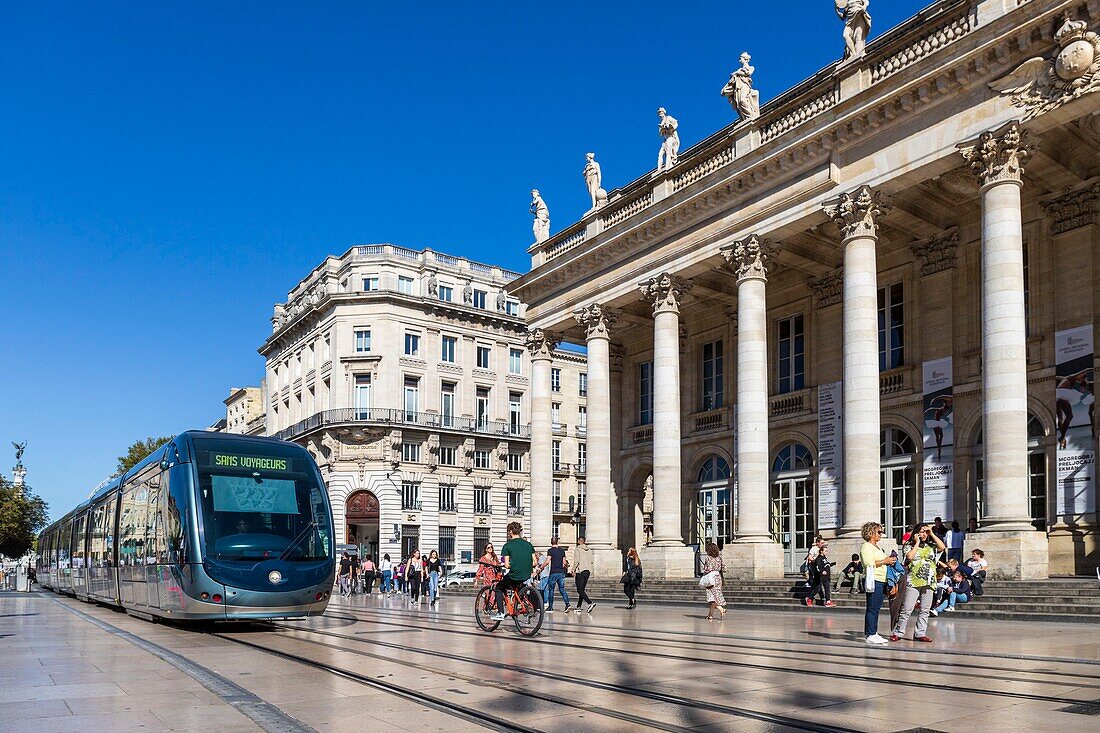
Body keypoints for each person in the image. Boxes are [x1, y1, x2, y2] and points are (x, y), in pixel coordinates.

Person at [890, 523, 946, 643]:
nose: (924, 534)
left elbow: (942, 547)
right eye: (921, 531)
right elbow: (909, 557)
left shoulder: (931, 545)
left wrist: (932, 533)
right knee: (907, 609)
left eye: (925, 532)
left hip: (929, 581)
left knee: (925, 609)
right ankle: (898, 632)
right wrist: (916, 542)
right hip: (913, 581)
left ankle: (920, 633)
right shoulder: (908, 545)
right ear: (916, 533)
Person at [491, 522, 535, 621]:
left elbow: (506, 565)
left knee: (498, 587)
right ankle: (521, 604)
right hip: (527, 574)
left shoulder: (507, 545)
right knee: (516, 588)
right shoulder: (528, 544)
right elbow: (535, 562)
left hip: (515, 575)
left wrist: (514, 565)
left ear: (510, 531)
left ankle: (501, 613)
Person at [859, 522, 892, 645]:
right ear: (871, 532)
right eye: (879, 532)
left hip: (881, 580)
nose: (881, 534)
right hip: (874, 579)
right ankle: (870, 634)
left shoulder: (877, 547)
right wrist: (885, 561)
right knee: (872, 607)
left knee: (876, 607)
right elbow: (868, 563)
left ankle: (874, 632)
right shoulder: (866, 546)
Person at [543, 537, 572, 613]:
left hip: (554, 572)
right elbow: (564, 562)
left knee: (551, 590)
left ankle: (550, 607)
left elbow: (547, 561)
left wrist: (541, 566)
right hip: (561, 572)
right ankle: (567, 604)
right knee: (562, 589)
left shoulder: (550, 551)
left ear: (551, 542)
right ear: (557, 542)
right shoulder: (562, 551)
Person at [700, 542, 727, 620]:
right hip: (718, 578)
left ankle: (722, 610)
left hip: (710, 578)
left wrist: (705, 569)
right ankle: (710, 615)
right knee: (714, 596)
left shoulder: (708, 558)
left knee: (711, 598)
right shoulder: (719, 558)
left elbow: (707, 569)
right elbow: (724, 568)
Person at [572, 537, 595, 613]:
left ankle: (590, 603)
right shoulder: (589, 550)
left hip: (580, 571)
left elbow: (576, 560)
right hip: (587, 571)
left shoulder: (577, 549)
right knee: (582, 590)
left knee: (579, 590)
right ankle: (579, 606)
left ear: (579, 541)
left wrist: (573, 569)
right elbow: (591, 561)